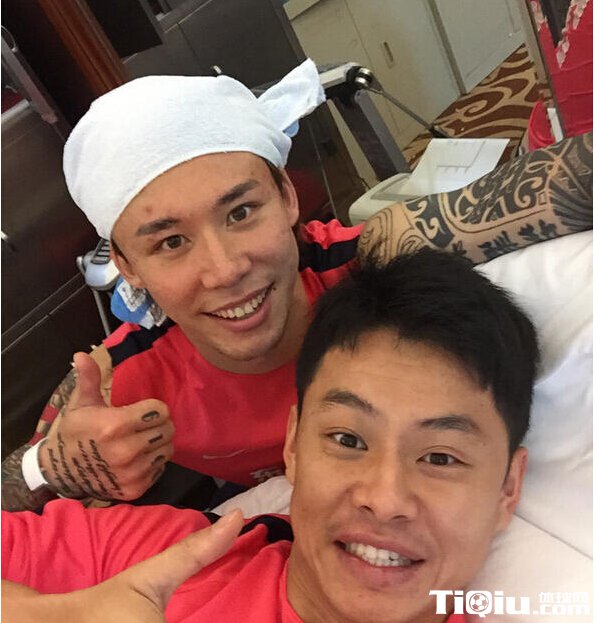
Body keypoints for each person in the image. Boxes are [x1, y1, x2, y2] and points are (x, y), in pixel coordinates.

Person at [1, 57, 590, 512]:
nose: (226, 269)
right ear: (127, 266)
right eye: (171, 242)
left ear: (286, 197)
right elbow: (13, 492)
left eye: (240, 213)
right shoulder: (117, 382)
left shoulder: (367, 263)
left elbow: (560, 183)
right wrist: (48, 468)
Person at [2, 249, 538, 623]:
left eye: (440, 458)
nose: (385, 499)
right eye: (349, 440)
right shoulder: (161, 558)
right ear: (293, 446)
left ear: (507, 490)